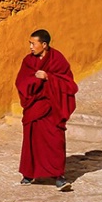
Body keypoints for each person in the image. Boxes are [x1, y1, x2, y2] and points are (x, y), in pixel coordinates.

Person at [16, 29, 78, 191]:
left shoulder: (58, 59)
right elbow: (21, 81)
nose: (30, 47)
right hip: (35, 107)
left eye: (33, 43)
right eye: (30, 43)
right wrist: (35, 81)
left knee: (55, 141)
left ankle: (58, 176)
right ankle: (29, 174)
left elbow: (69, 84)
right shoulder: (28, 61)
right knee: (32, 141)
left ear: (44, 44)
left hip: (52, 108)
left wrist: (49, 77)